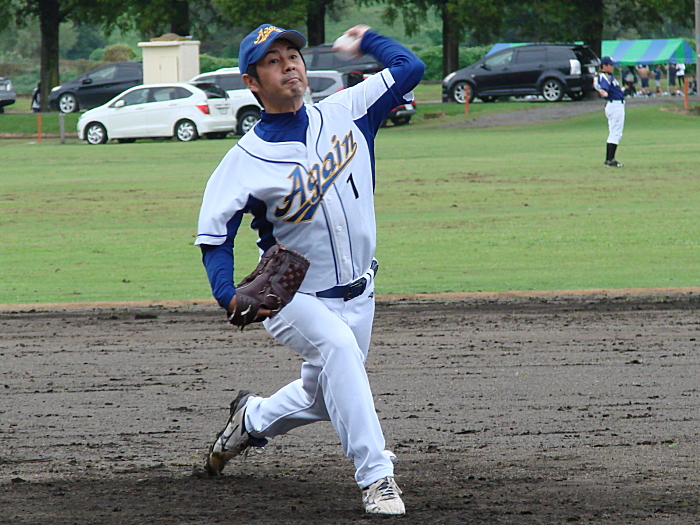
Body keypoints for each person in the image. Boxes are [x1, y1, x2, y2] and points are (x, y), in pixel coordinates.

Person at [194, 23, 424, 516]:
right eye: (273, 61)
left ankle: (250, 419)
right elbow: (214, 237)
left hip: (361, 291)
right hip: (293, 296)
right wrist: (226, 293)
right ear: (252, 82)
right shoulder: (242, 162)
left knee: (325, 396)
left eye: (292, 56)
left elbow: (410, 68)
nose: (288, 66)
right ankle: (376, 477)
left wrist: (369, 38)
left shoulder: (347, 111)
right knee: (338, 349)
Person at [596, 56, 625, 167]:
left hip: (616, 104)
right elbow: (604, 90)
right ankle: (609, 160)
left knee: (615, 132)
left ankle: (610, 160)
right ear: (604, 66)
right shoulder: (604, 76)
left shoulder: (609, 76)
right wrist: (603, 92)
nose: (613, 67)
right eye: (610, 65)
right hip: (615, 105)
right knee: (615, 133)